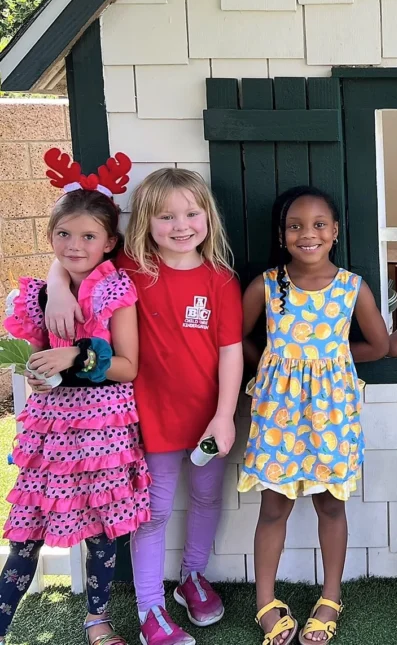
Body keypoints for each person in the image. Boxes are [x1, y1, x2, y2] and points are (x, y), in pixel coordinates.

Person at [45, 168, 244, 645]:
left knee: (206, 497)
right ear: (145, 223)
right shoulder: (130, 269)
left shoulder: (220, 279)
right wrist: (55, 285)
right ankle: (150, 608)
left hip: (207, 417)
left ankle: (192, 577)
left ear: (207, 218)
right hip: (145, 419)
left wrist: (224, 414)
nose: (180, 225)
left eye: (191, 213)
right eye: (165, 216)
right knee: (150, 515)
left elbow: (230, 351)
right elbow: (73, 260)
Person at [1, 150, 149, 645]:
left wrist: (73, 358)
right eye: (63, 234)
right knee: (26, 536)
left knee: (104, 533)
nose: (74, 244)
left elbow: (128, 364)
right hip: (50, 434)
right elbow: (31, 357)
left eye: (88, 236)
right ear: (50, 238)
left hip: (104, 430)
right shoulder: (38, 294)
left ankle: (97, 620)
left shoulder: (117, 292)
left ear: (109, 243)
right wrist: (39, 369)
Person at [239, 186, 389, 645]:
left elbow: (380, 345)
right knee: (273, 507)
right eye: (295, 226)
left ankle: (329, 597)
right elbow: (236, 338)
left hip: (332, 414)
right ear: (282, 234)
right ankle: (266, 600)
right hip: (277, 415)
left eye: (319, 224)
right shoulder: (265, 285)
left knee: (331, 503)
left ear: (336, 231)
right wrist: (268, 365)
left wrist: (335, 361)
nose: (308, 234)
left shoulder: (351, 287)